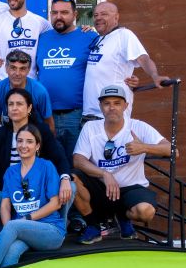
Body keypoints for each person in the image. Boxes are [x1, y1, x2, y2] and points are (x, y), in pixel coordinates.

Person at [73, 84, 171, 244]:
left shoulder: (138, 126)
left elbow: (172, 150)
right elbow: (78, 159)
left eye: (117, 103)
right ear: (100, 106)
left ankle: (122, 217)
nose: (112, 107)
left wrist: (144, 147)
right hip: (101, 187)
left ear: (125, 106)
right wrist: (104, 174)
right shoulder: (91, 127)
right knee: (72, 179)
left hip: (131, 188)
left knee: (146, 212)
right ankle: (93, 226)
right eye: (107, 103)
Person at [0, 124, 65, 268]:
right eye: (20, 141)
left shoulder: (47, 166)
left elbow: (56, 203)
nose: (23, 145)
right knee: (11, 251)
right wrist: (10, 230)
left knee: (13, 226)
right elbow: (5, 206)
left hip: (51, 230)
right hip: (23, 230)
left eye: (29, 141)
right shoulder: (10, 172)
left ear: (37, 146)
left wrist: (25, 220)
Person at [0, 88, 72, 232]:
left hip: (40, 190)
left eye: (19, 104)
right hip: (10, 190)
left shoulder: (41, 130)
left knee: (71, 188)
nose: (14, 108)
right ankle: (9, 232)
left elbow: (59, 158)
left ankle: (56, 230)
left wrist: (65, 179)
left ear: (29, 108)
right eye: (11, 104)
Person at [82, 1, 170, 121]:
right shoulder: (99, 39)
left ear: (116, 17)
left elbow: (143, 58)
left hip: (111, 115)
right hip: (90, 114)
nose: (98, 18)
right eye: (96, 15)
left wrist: (155, 76)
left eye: (104, 14)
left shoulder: (124, 35)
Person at [36, 0, 92, 157]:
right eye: (54, 12)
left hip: (75, 115)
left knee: (74, 164)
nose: (58, 16)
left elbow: (107, 64)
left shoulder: (89, 37)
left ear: (75, 15)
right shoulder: (42, 38)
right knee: (48, 164)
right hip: (45, 115)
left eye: (64, 12)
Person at [0, 49, 54, 132]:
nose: (17, 73)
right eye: (13, 68)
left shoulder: (40, 91)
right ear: (6, 68)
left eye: (22, 69)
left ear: (28, 70)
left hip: (35, 134)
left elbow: (49, 123)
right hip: (8, 133)